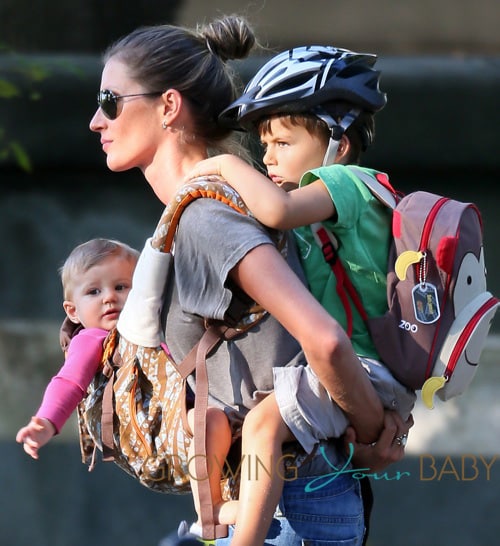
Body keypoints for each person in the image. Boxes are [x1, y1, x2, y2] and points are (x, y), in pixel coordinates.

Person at [89, 16, 412, 546]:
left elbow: (324, 339)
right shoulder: (204, 212)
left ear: (168, 106)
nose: (96, 122)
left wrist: (375, 430)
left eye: (109, 101)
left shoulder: (207, 217)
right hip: (282, 502)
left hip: (287, 513)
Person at [185, 45, 417, 545]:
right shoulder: (323, 210)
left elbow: (277, 210)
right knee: (222, 423)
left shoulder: (351, 184)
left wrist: (222, 164)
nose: (267, 157)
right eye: (263, 144)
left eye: (284, 142)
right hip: (352, 373)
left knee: (267, 424)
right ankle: (230, 513)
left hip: (366, 368)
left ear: (341, 143)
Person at [16, 238, 139, 459]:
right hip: (154, 423)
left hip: (184, 408)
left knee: (213, 422)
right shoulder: (91, 338)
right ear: (73, 312)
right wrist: (46, 422)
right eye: (94, 292)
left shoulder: (153, 324)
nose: (109, 297)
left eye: (121, 287)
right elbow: (69, 381)